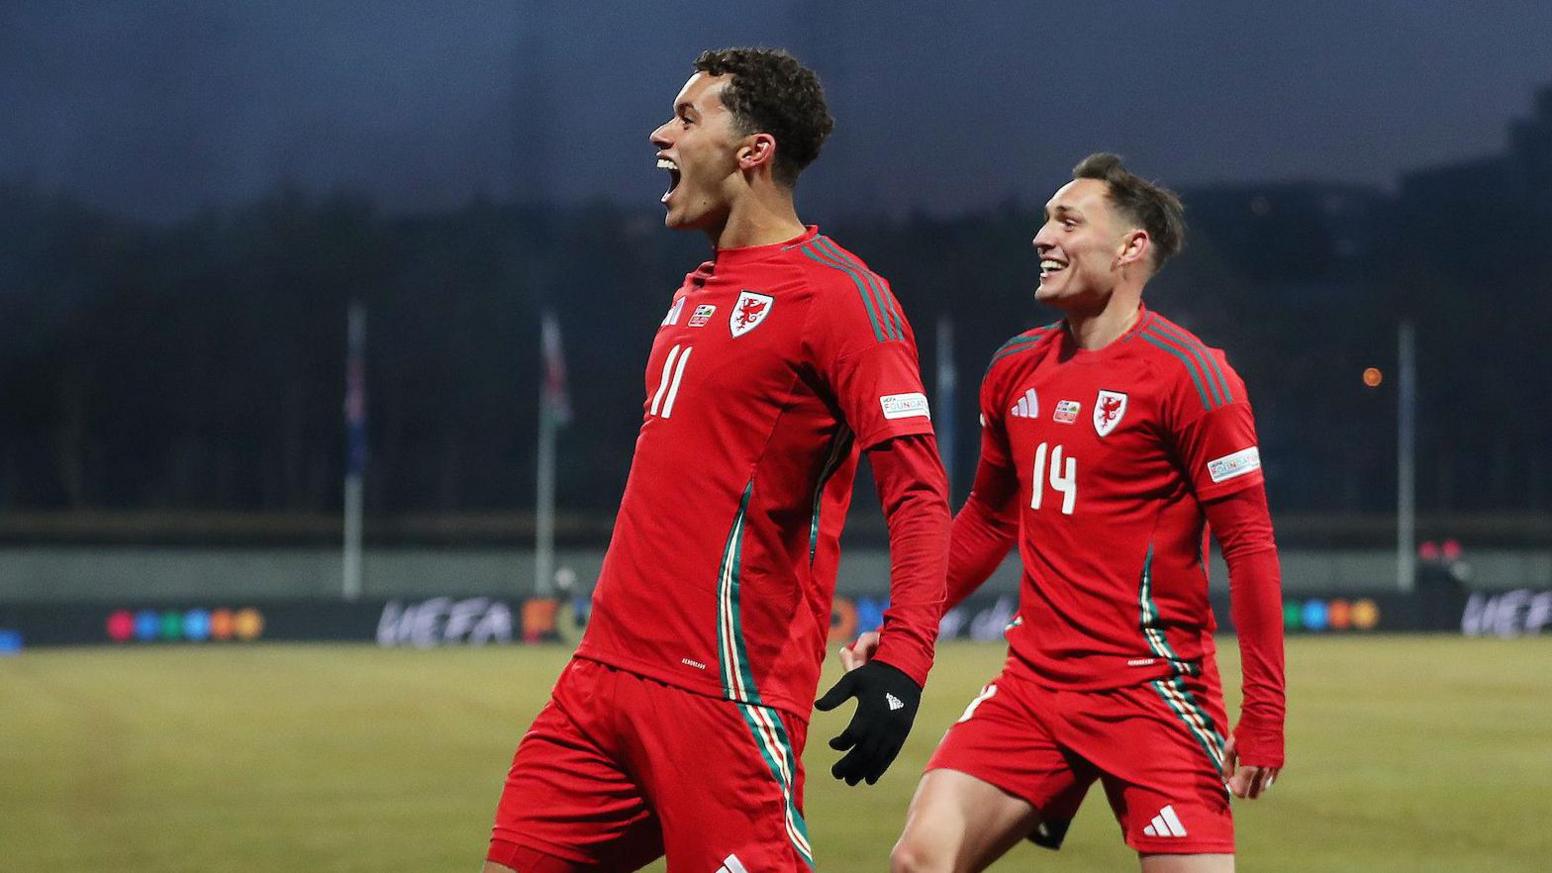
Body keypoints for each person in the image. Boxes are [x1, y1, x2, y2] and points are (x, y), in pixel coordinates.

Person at [483, 48, 951, 873]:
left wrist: (906, 661)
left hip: (724, 692)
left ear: (753, 151)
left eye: (688, 117)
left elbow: (917, 493)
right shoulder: (693, 293)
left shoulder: (842, 297)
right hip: (600, 681)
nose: (661, 133)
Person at [851, 154, 1285, 872]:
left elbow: (1249, 543)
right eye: (1046, 217)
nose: (1041, 235)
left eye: (1067, 220)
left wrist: (1264, 713)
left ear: (1130, 247)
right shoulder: (1014, 367)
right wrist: (904, 628)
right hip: (1035, 688)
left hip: (1153, 693)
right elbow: (988, 522)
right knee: (919, 859)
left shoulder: (1193, 377)